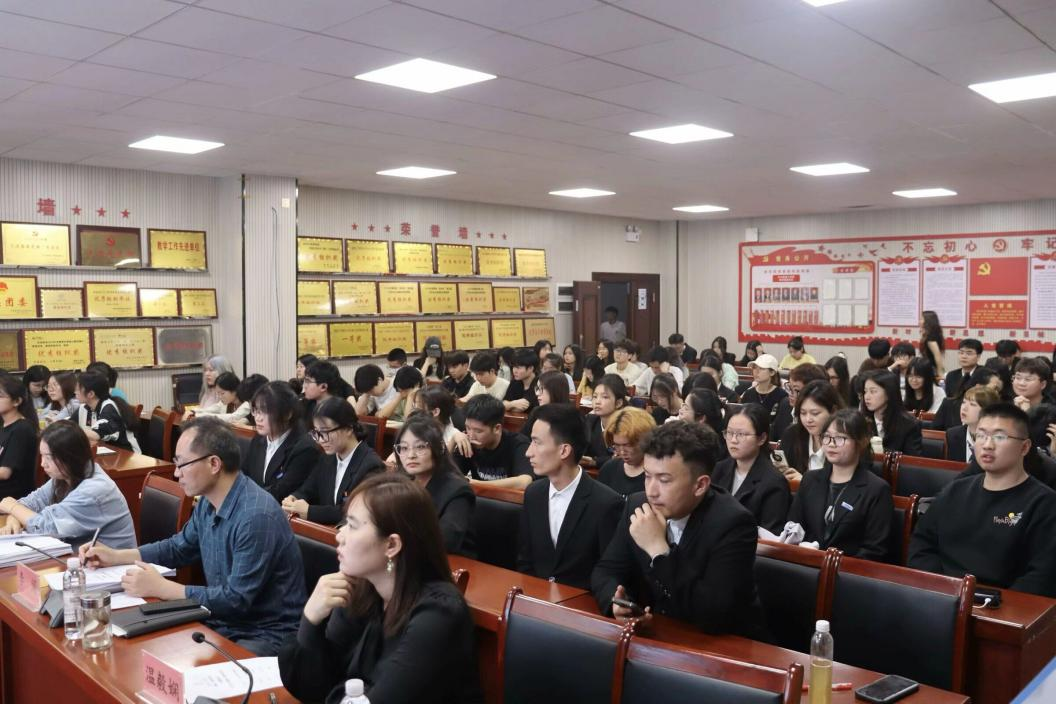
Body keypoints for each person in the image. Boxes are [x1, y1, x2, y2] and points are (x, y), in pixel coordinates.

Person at [81, 416, 306, 655]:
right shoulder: (208, 502)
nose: (176, 473)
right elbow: (179, 548)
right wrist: (116, 556)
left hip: (265, 633)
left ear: (214, 464)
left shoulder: (256, 516)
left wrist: (163, 588)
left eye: (182, 464)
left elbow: (236, 599)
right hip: (223, 621)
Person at [278, 473, 482, 704]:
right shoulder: (360, 589)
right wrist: (311, 619)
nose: (339, 535)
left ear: (391, 545)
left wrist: (341, 691)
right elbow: (312, 688)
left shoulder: (439, 614)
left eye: (352, 526)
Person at [591, 421, 765, 637]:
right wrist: (616, 603)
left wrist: (658, 550)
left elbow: (714, 614)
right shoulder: (638, 505)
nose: (651, 491)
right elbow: (606, 570)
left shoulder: (733, 523)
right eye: (647, 476)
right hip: (657, 633)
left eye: (664, 480)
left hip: (723, 644)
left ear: (700, 485)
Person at [908, 404, 1056, 597]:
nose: (987, 445)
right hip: (943, 597)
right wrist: (943, 589)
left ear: (1025, 447)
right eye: (981, 435)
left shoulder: (1044, 504)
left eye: (1000, 437)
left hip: (1002, 606)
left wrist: (992, 604)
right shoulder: (955, 490)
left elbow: (1042, 575)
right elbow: (922, 543)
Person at [518, 404, 623, 589]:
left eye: (537, 442)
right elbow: (525, 560)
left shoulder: (606, 503)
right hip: (535, 596)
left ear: (564, 451)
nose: (528, 452)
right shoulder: (533, 493)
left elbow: (608, 573)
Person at [0, 421, 135, 547]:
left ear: (70, 456)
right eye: (42, 456)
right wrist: (14, 518)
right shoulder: (66, 474)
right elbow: (31, 502)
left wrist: (12, 507)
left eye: (48, 457)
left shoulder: (94, 490)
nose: (42, 464)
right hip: (80, 557)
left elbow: (47, 528)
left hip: (110, 563)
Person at [785, 409, 894, 561]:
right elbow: (793, 527)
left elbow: (875, 550)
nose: (831, 444)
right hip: (804, 565)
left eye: (840, 438)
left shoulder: (877, 489)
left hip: (848, 571)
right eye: (827, 437)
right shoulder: (810, 479)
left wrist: (833, 565)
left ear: (861, 441)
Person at [283, 398, 385, 525]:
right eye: (317, 432)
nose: (321, 440)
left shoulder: (371, 465)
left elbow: (353, 511)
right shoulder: (327, 457)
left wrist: (310, 511)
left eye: (325, 432)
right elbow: (307, 489)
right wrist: (294, 498)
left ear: (349, 428)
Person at [395, 415, 476, 557]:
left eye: (420, 447)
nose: (411, 455)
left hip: (450, 562)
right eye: (404, 448)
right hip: (406, 556)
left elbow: (445, 541)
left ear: (438, 448)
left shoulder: (458, 490)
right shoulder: (399, 482)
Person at [713, 404, 791, 534]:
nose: (733, 440)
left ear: (762, 438)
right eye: (729, 433)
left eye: (741, 434)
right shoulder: (719, 469)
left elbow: (769, 534)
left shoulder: (774, 483)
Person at [243, 381, 320, 501]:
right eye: (256, 410)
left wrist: (245, 497)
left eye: (265, 412)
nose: (258, 418)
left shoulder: (304, 448)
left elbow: (281, 492)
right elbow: (245, 475)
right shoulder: (259, 438)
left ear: (287, 414)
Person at [455, 395, 533, 489]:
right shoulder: (466, 440)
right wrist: (453, 440)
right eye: (468, 428)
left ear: (497, 428)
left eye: (478, 431)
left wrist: (476, 484)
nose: (471, 436)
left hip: (506, 497)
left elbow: (525, 481)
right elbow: (447, 476)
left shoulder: (518, 443)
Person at [777, 380, 846, 482]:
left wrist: (805, 482)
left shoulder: (844, 441)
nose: (808, 419)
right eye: (803, 413)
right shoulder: (792, 434)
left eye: (815, 413)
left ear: (833, 411)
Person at [598, 407, 656, 498]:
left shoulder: (656, 474)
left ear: (644, 441)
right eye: (616, 445)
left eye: (628, 445)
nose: (622, 452)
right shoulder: (609, 469)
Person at [861, 370, 924, 455]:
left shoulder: (910, 425)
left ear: (889, 393)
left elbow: (911, 460)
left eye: (873, 391)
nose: (867, 397)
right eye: (865, 391)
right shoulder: (861, 421)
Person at [76, 370, 139, 453]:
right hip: (105, 451)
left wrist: (73, 430)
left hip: (127, 454)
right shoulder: (84, 407)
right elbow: (68, 423)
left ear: (91, 394)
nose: (75, 392)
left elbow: (96, 434)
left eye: (78, 389)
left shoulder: (109, 407)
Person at [0, 376, 39, 501]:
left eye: (0, 396)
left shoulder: (22, 429)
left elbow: (5, 472)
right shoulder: (5, 426)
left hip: (11, 497)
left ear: (16, 401)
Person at [770, 364, 827, 442]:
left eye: (797, 390)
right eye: (789, 388)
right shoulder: (785, 405)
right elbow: (774, 436)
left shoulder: (822, 416)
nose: (790, 394)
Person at [946, 386, 1000, 463]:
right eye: (963, 402)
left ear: (987, 411)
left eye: (972, 404)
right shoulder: (953, 434)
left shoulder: (997, 439)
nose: (964, 408)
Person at [583, 374, 627, 468]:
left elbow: (622, 457)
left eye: (605, 397)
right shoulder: (590, 420)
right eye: (595, 396)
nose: (597, 401)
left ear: (618, 403)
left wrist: (596, 462)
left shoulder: (627, 425)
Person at [503, 348, 539, 413]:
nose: (514, 371)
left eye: (518, 368)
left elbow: (522, 408)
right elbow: (503, 404)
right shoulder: (515, 382)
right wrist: (513, 404)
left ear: (531, 368)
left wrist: (509, 406)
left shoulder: (540, 383)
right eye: (514, 367)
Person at [920, 310, 946, 377]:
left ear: (928, 321)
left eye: (921, 319)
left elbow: (937, 355)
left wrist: (940, 373)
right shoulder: (932, 334)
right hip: (929, 367)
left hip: (931, 369)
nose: (919, 321)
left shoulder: (931, 338)